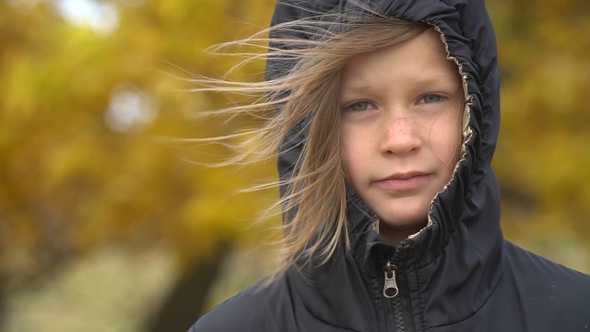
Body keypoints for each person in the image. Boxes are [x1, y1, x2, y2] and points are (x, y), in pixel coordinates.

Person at [190, 0, 590, 331]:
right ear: (308, 128)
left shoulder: (574, 313)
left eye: (430, 98)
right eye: (360, 106)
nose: (401, 139)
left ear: (476, 106)